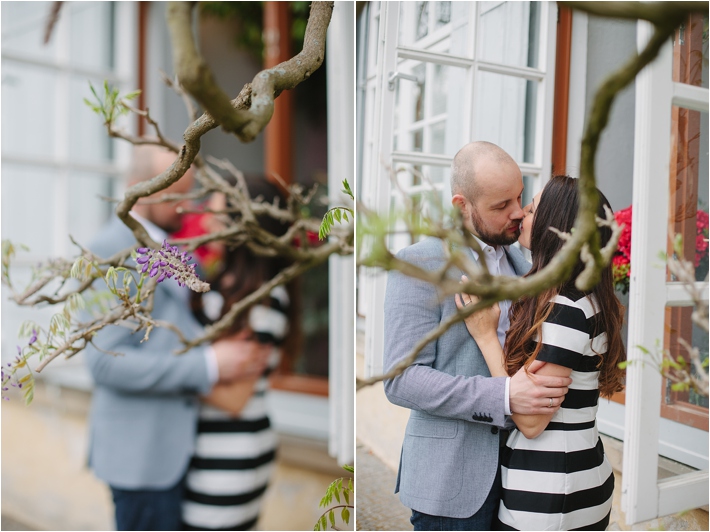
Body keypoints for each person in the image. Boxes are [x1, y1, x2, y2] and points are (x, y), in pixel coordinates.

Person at [383, 141, 573, 531]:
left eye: (520, 197)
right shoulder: (418, 264)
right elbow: (401, 379)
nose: (518, 213)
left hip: (524, 479)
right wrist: (503, 397)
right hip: (451, 482)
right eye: (501, 205)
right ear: (460, 206)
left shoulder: (527, 265)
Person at [84, 146, 270, 531]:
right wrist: (208, 365)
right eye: (175, 193)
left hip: (186, 454)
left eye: (189, 192)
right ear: (141, 188)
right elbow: (104, 361)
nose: (186, 206)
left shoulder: (178, 253)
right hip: (141, 460)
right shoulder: (107, 252)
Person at [456, 175, 625, 531]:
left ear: (555, 225)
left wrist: (487, 336)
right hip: (577, 477)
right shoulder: (590, 298)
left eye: (531, 208)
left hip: (549, 493)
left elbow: (531, 422)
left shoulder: (565, 309)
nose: (521, 215)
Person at [181, 176, 295, 531]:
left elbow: (233, 398)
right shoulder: (228, 288)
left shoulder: (264, 300)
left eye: (217, 215)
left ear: (244, 226)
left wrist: (158, 374)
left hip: (230, 458)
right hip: (212, 454)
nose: (208, 223)